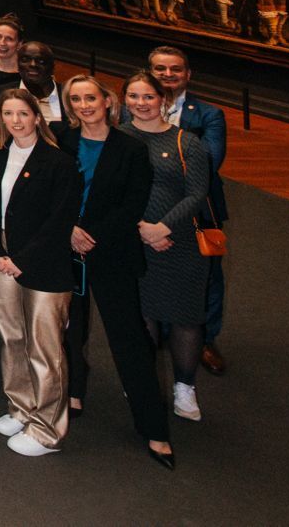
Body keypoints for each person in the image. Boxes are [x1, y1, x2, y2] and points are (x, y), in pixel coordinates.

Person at [58, 76, 177, 468]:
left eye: (90, 97)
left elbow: (133, 204)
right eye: (75, 99)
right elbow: (52, 191)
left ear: (106, 101)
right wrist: (70, 230)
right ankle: (73, 394)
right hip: (67, 249)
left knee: (128, 340)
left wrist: (90, 235)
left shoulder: (130, 148)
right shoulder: (63, 139)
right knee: (70, 330)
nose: (83, 105)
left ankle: (155, 429)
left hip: (111, 252)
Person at [0, 87, 84, 456]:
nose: (15, 121)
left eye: (22, 113)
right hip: (1, 259)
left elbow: (59, 221)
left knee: (45, 347)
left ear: (37, 117)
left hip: (43, 265)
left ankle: (48, 429)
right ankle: (21, 407)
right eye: (8, 114)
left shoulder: (59, 162)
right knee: (11, 337)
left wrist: (21, 259)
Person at [123, 70, 213, 425]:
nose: (141, 103)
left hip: (181, 243)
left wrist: (162, 227)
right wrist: (140, 229)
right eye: (134, 96)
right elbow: (109, 191)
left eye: (148, 96)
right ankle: (144, 382)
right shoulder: (117, 138)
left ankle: (185, 387)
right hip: (134, 242)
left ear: (164, 100)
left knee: (185, 319)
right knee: (141, 316)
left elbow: (197, 192)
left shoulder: (187, 142)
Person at [142, 45, 229, 375]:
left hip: (199, 212)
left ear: (187, 74)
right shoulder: (132, 111)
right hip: (146, 211)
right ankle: (162, 332)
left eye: (174, 69)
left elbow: (208, 163)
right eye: (159, 68)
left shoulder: (208, 115)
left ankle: (205, 340)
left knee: (207, 278)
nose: (167, 74)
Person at [18, 40, 64, 120]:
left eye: (41, 61)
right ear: (17, 64)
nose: (33, 64)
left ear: (52, 67)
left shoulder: (67, 96)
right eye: (25, 60)